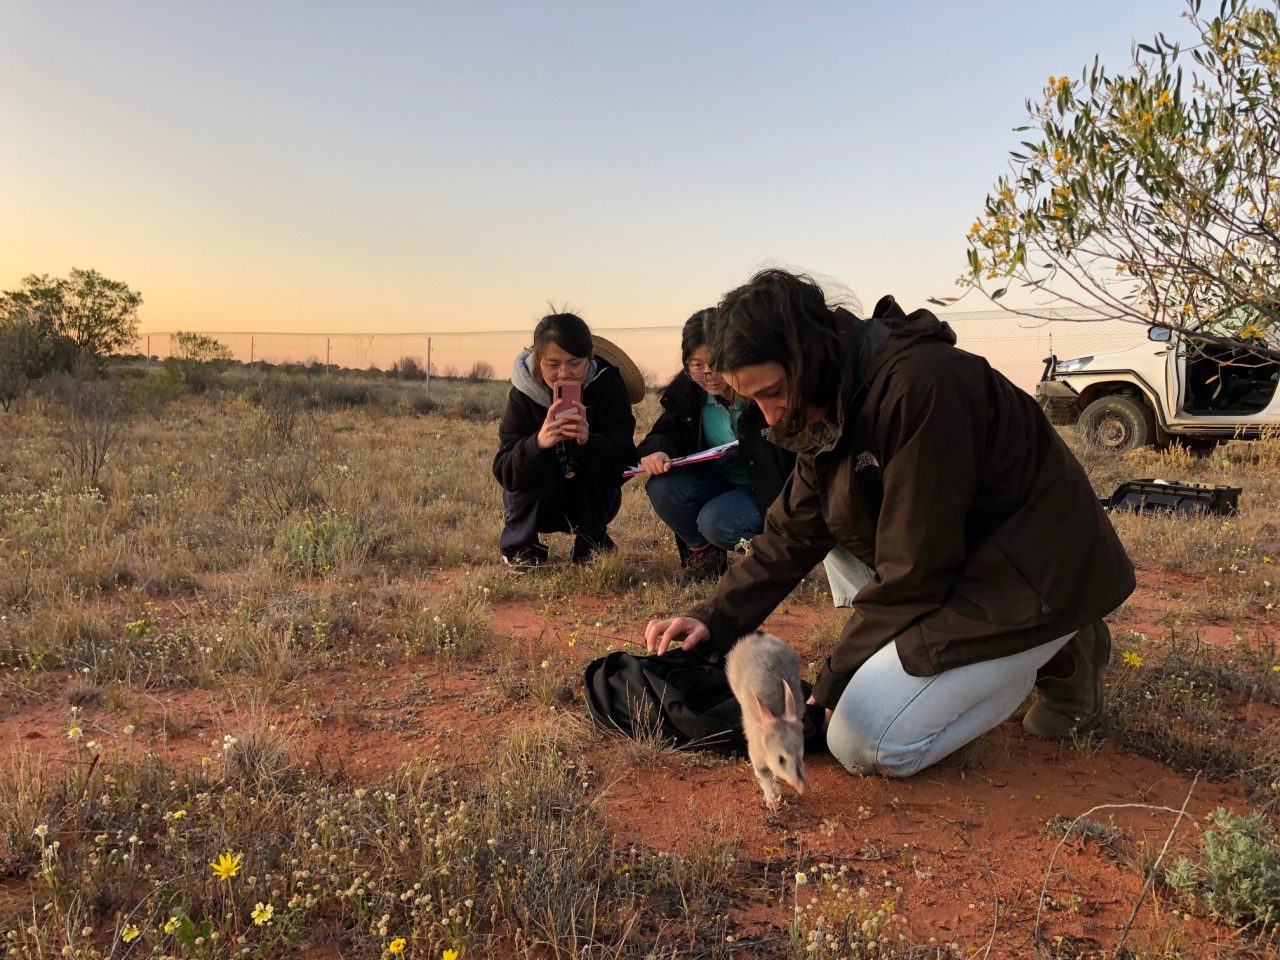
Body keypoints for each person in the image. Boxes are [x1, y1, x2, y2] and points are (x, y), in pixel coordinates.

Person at [644, 269, 1135, 778]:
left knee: (864, 742)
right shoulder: (829, 396)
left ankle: (1055, 639)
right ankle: (1054, 646)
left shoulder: (922, 386)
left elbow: (915, 570)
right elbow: (794, 530)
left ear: (807, 354)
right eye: (753, 401)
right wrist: (717, 616)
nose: (769, 418)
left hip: (1035, 572)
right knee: (855, 693)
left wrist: (836, 679)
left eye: (773, 392)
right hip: (967, 566)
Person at [635, 309, 794, 582]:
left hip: (769, 489)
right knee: (663, 487)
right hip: (719, 484)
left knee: (717, 522)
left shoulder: (763, 390)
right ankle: (705, 558)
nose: (709, 375)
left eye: (718, 363)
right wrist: (656, 451)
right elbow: (665, 432)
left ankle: (776, 558)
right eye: (697, 366)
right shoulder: (687, 394)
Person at [493, 312, 637, 567]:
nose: (564, 373)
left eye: (574, 363)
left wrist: (588, 441)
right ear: (538, 360)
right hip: (540, 500)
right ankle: (520, 548)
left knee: (597, 464)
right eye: (552, 364)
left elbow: (625, 464)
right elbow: (505, 472)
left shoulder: (609, 386)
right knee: (530, 461)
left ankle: (591, 546)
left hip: (591, 501)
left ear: (590, 356)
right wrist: (537, 444)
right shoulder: (521, 396)